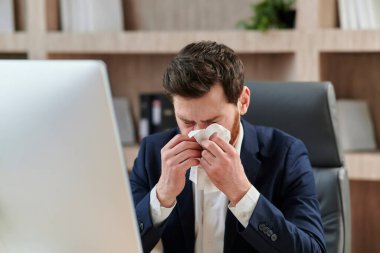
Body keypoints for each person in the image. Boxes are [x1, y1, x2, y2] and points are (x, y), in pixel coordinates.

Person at [130, 41, 326, 253]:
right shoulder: (153, 152)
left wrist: (242, 193)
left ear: (242, 101)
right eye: (186, 122)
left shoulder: (286, 154)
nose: (198, 134)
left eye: (211, 121)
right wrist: (161, 197)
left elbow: (313, 250)